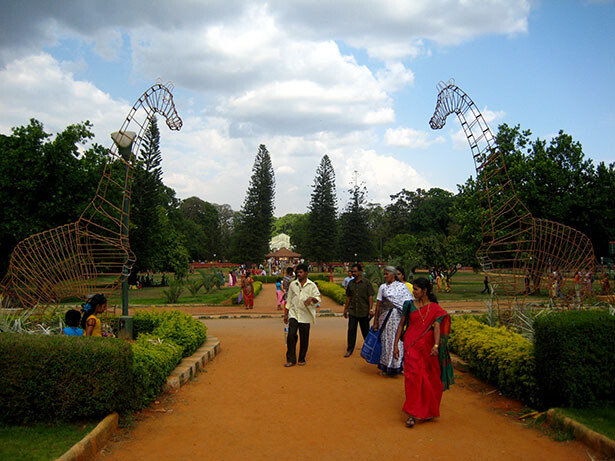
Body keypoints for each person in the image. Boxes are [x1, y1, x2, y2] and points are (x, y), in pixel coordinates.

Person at [393, 277, 454, 428]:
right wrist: (395, 346)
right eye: (413, 289)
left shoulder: (434, 307)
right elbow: (401, 325)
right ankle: (412, 414)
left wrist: (436, 345)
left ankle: (427, 410)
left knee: (429, 379)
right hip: (411, 345)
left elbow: (438, 327)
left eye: (416, 289)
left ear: (425, 291)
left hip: (428, 349)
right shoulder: (409, 305)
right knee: (413, 378)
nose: (413, 292)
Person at [373, 266, 412, 376]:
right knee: (386, 341)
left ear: (393, 274)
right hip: (385, 318)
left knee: (397, 341)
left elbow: (408, 303)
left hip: (398, 318)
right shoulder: (383, 287)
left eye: (387, 274)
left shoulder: (402, 287)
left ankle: (397, 366)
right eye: (384, 274)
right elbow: (379, 305)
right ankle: (386, 366)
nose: (385, 276)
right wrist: (376, 320)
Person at [284, 264, 321, 367]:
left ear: (306, 273)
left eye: (301, 272)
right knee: (291, 335)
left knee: (304, 338)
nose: (299, 274)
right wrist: (286, 314)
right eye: (297, 272)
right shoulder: (293, 284)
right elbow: (289, 300)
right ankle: (291, 359)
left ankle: (302, 358)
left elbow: (318, 298)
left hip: (306, 315)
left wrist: (311, 299)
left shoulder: (312, 285)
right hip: (294, 313)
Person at [343, 263, 374, 357]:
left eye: (355, 271)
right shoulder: (350, 284)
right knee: (351, 331)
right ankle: (350, 349)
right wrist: (345, 309)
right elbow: (348, 297)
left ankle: (368, 350)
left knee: (365, 331)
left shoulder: (366, 283)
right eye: (352, 271)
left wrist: (370, 309)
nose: (353, 273)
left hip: (364, 311)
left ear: (360, 272)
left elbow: (370, 296)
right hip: (353, 310)